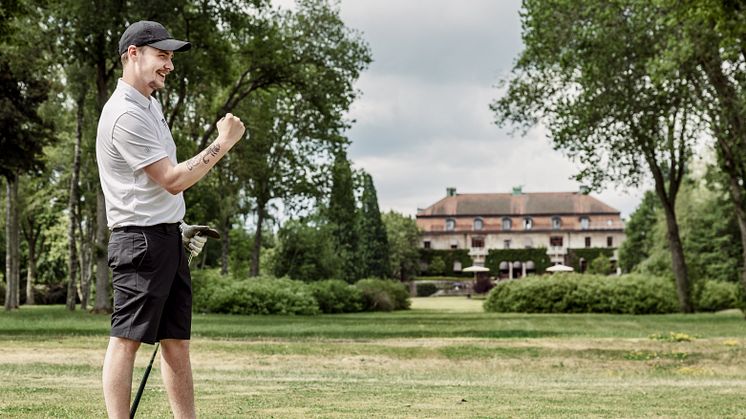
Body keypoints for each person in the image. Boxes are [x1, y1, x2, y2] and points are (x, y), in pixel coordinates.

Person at [96, 20, 246, 418]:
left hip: (165, 239)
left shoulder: (150, 105)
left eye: (170, 57)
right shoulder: (125, 115)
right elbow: (172, 180)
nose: (169, 65)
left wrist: (176, 228)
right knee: (126, 338)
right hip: (139, 242)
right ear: (133, 54)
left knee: (176, 340)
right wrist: (223, 143)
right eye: (161, 55)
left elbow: (161, 189)